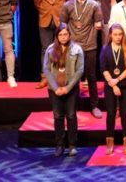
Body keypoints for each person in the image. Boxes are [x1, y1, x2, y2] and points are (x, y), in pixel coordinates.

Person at [59, 0, 104, 118]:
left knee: (91, 76)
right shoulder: (67, 5)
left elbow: (99, 23)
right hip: (73, 47)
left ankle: (94, 106)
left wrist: (98, 24)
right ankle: (72, 106)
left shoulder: (95, 5)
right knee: (73, 77)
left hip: (90, 46)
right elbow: (62, 25)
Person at [42, 23, 84, 157]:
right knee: (58, 116)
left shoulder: (77, 49)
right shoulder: (50, 49)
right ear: (57, 36)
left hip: (70, 89)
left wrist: (68, 87)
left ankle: (72, 145)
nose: (63, 37)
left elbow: (80, 70)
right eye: (60, 35)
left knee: (71, 115)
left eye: (65, 34)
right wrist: (55, 88)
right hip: (54, 90)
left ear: (69, 35)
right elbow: (46, 69)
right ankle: (59, 145)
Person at [34, 0, 73, 89]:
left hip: (60, 20)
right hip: (45, 19)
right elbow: (37, 1)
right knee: (45, 49)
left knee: (63, 48)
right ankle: (45, 77)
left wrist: (60, 11)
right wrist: (44, 10)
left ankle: (62, 76)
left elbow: (69, 0)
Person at [100, 23, 126, 155]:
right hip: (110, 86)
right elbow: (103, 69)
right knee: (111, 114)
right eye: (115, 34)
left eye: (120, 34)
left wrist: (118, 80)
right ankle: (110, 143)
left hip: (124, 85)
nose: (118, 37)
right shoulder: (105, 49)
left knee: (125, 113)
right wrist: (113, 84)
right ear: (110, 35)